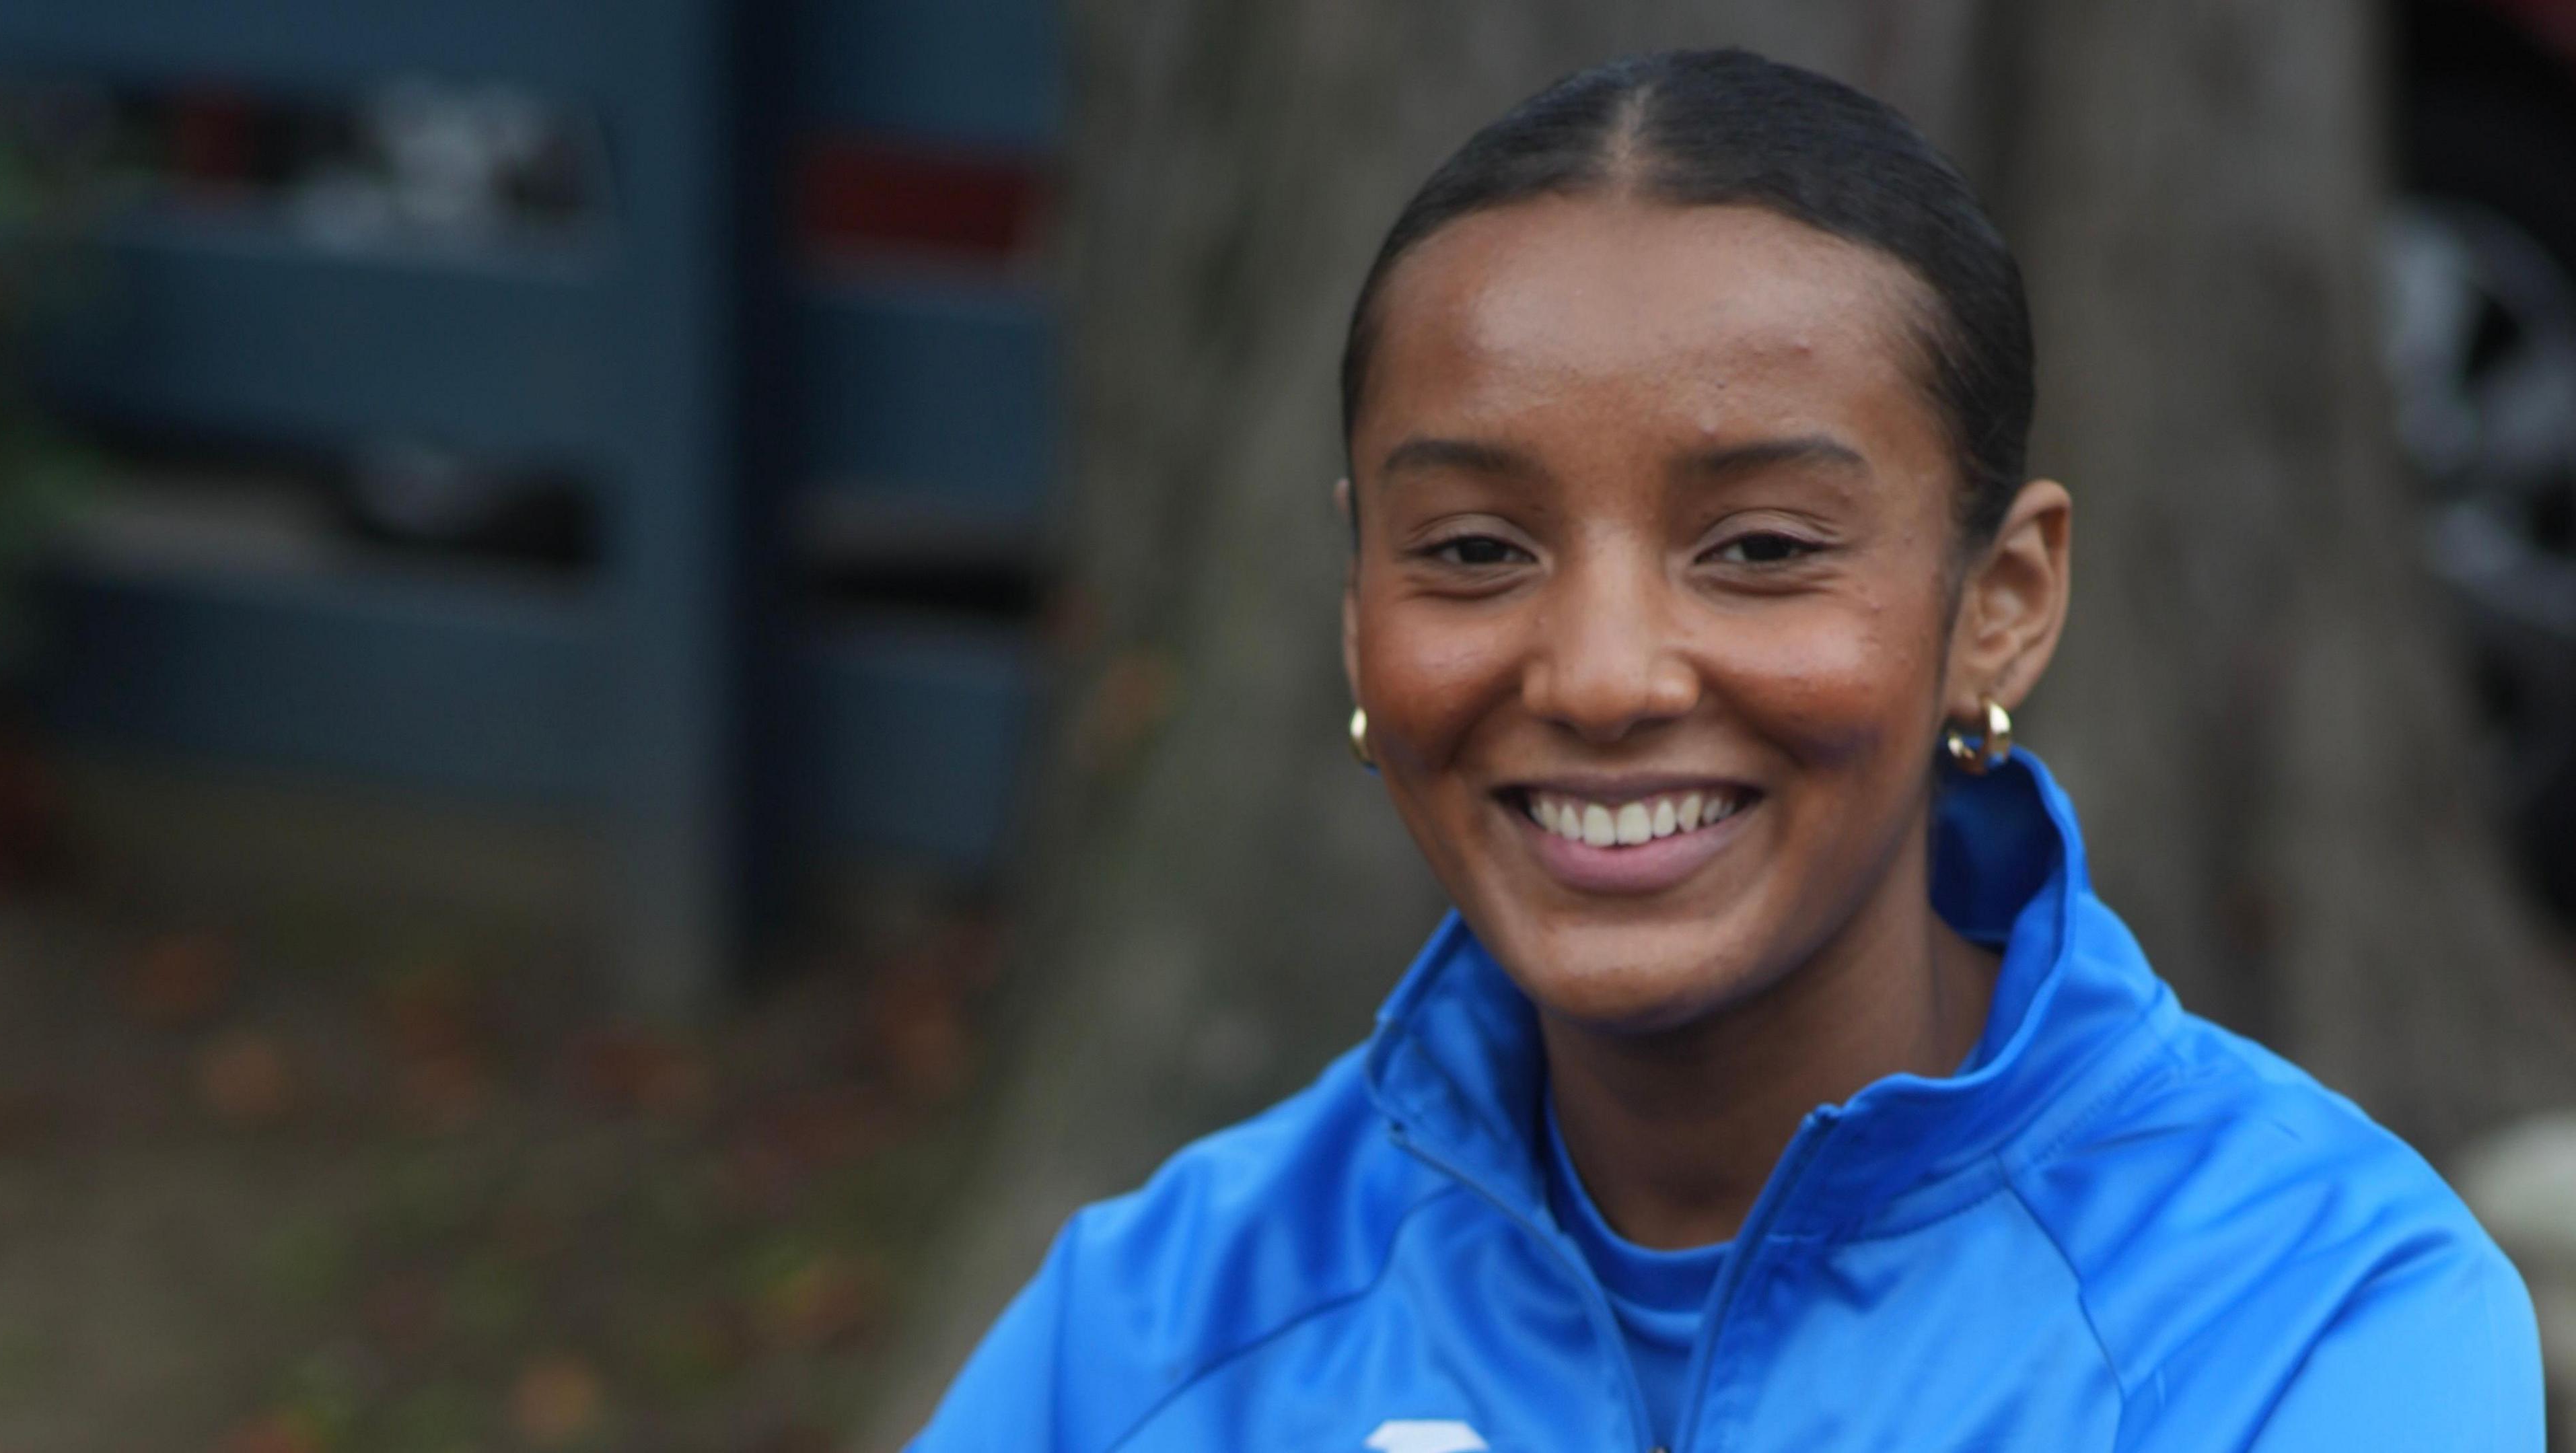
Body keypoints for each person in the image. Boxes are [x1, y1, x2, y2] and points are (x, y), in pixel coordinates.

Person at [910, 47, 2545, 1452]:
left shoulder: (2308, 1311)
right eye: (1475, 550)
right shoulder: (1160, 1330)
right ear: (1356, 610)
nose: (1606, 676)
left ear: (2002, 604)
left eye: (1761, 548)